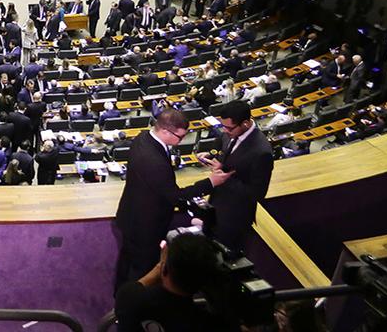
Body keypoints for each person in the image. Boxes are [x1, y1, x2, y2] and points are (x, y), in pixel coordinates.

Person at [114, 108, 231, 290]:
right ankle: (133, 300)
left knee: (127, 259)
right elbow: (176, 196)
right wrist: (210, 182)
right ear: (165, 131)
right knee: (142, 268)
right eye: (180, 137)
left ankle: (120, 289)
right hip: (146, 224)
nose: (182, 141)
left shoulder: (143, 137)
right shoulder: (154, 161)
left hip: (132, 212)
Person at [113, 233, 232, 332]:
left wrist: (161, 265)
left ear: (164, 269)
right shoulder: (208, 324)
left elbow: (135, 287)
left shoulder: (129, 299)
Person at [198, 101, 273, 248]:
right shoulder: (230, 132)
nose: (224, 131)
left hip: (235, 216)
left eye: (228, 127)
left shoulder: (261, 152)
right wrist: (211, 157)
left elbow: (257, 193)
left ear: (245, 123)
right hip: (215, 203)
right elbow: (223, 146)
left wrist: (223, 174)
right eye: (223, 126)